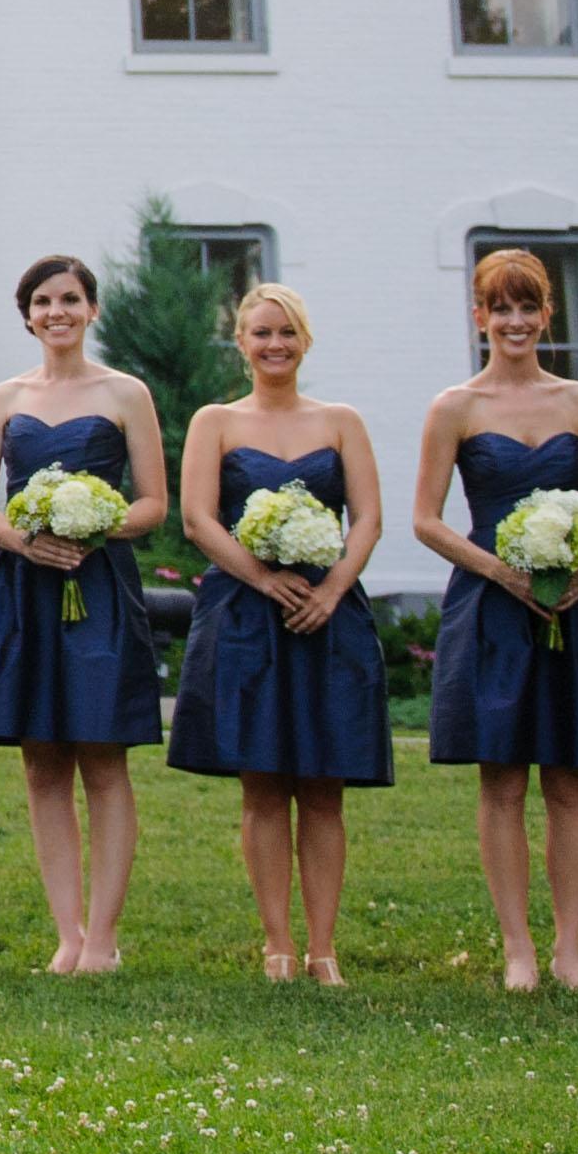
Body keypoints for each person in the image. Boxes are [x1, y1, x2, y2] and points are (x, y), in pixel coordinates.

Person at [414, 246, 578, 991]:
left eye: (527, 306)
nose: (514, 321)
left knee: (570, 778)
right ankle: (519, 950)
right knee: (502, 780)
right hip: (490, 604)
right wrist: (503, 572)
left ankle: (569, 949)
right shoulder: (455, 407)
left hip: (573, 601)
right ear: (478, 315)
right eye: (499, 307)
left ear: (547, 313)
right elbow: (425, 519)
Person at [164, 283, 393, 984]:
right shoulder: (216, 421)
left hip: (327, 615)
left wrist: (332, 589)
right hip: (245, 614)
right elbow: (198, 519)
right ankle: (278, 945)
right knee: (262, 782)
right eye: (262, 332)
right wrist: (263, 579)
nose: (275, 344)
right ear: (241, 341)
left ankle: (324, 947)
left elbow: (368, 519)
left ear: (305, 341)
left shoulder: (342, 422)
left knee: (324, 785)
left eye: (287, 332)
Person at [0, 254, 170, 975]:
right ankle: (68, 934)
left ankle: (104, 938)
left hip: (98, 582)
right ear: (27, 316)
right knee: (42, 762)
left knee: (103, 757)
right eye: (44, 301)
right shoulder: (5, 398)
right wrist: (27, 539)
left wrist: (94, 525)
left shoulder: (126, 393)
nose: (58, 312)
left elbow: (153, 503)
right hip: (23, 586)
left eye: (71, 299)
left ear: (92, 309)